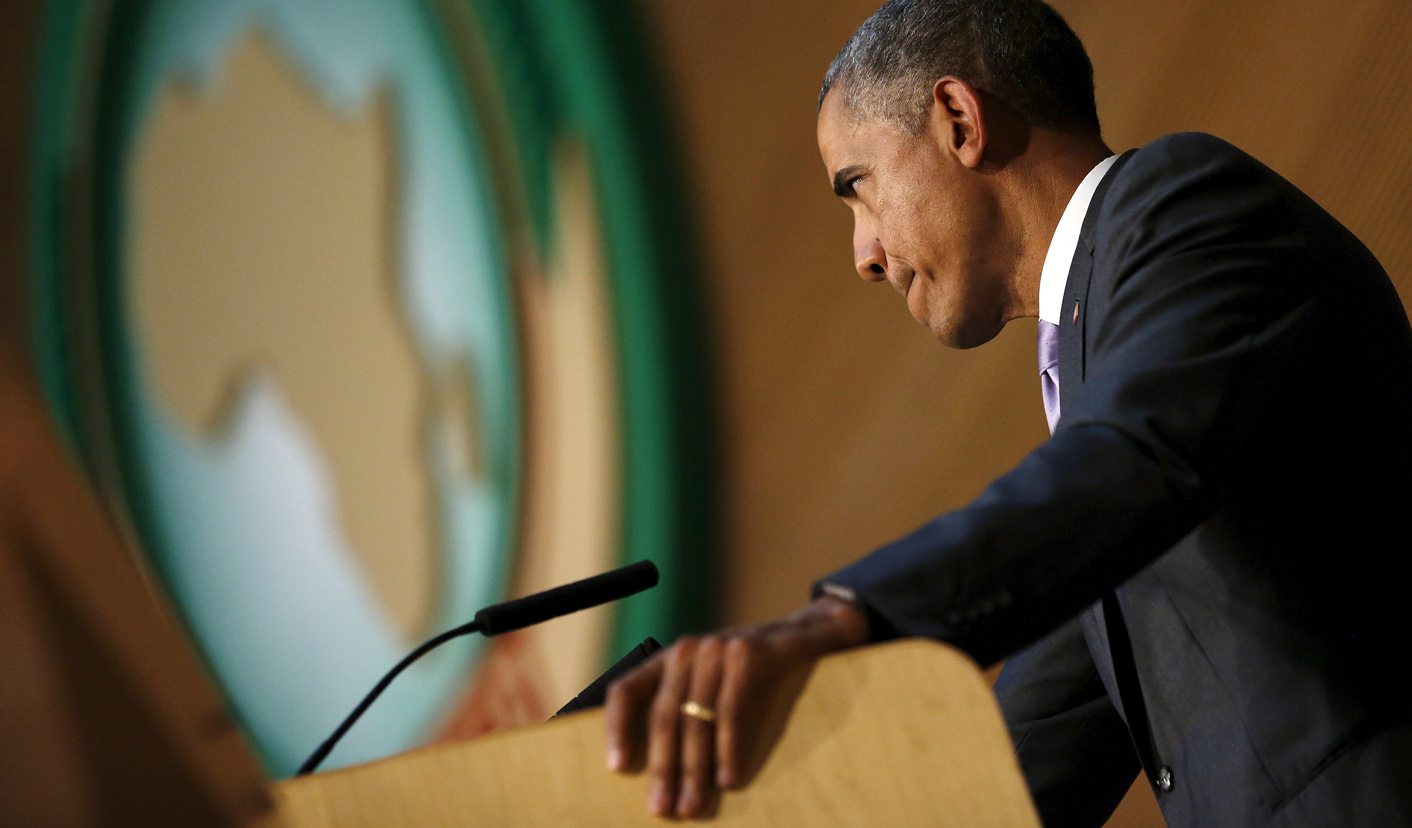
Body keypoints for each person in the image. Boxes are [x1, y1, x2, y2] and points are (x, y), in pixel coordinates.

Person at [603, 1, 1412, 824]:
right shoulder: (1094, 411)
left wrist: (844, 620)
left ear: (959, 120)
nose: (863, 255)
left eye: (858, 188)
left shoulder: (1188, 202)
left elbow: (1126, 463)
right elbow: (1023, 758)